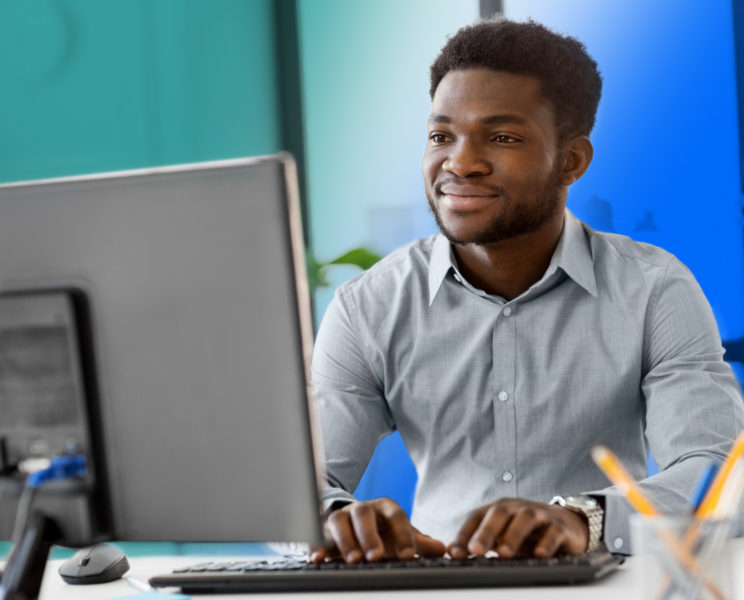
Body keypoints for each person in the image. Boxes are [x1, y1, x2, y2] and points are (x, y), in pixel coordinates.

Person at [309, 17, 744, 564]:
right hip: (437, 592)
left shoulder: (654, 289)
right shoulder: (367, 306)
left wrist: (581, 519)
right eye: (441, 136)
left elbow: (721, 477)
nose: (459, 163)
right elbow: (301, 483)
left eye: (503, 137)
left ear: (572, 161)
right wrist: (337, 520)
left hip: (608, 590)